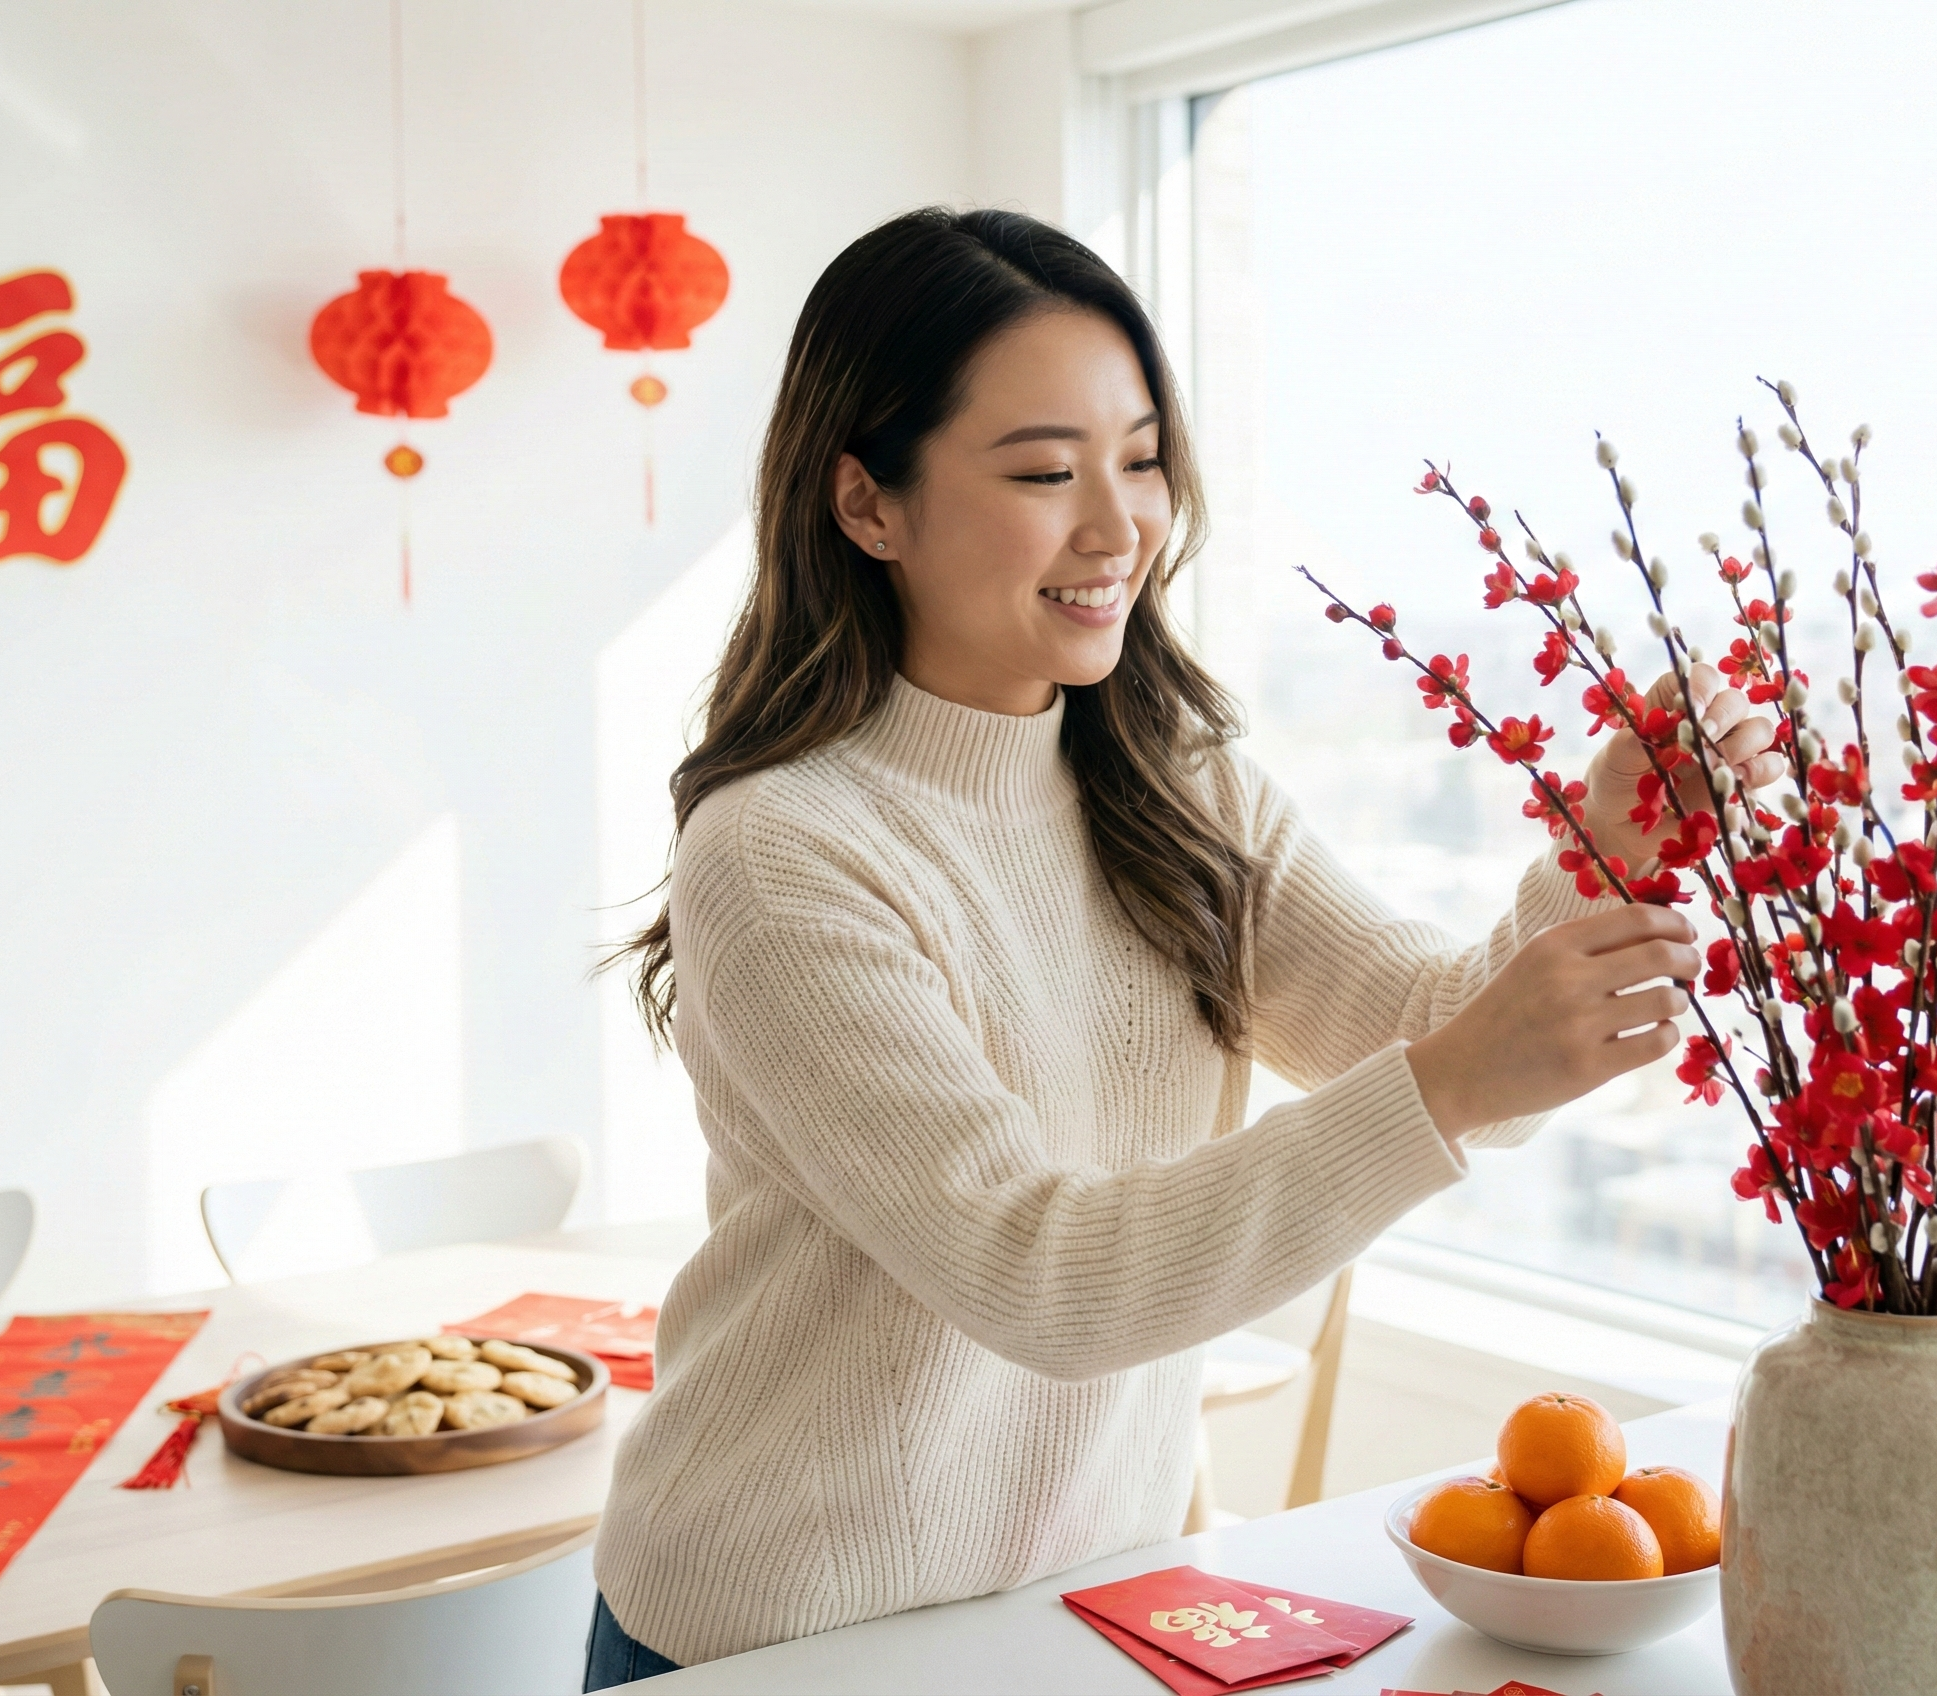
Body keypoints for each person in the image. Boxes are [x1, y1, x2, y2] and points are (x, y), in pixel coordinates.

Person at [586, 206, 1780, 1686]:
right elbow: (1040, 1276)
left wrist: (1609, 856)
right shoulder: (784, 852)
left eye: (1141, 458)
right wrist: (1456, 1078)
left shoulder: (1176, 785)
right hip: (777, 1640)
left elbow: (1428, 1030)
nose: (1118, 526)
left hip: (1092, 1609)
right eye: (1043, 471)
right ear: (866, 503)